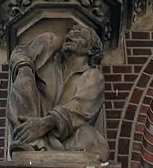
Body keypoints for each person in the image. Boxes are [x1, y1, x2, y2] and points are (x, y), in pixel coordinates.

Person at [7, 23, 108, 156]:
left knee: (94, 144)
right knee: (23, 81)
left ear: (92, 50)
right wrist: (24, 66)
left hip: (64, 134)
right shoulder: (48, 53)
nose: (70, 36)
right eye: (70, 33)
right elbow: (19, 53)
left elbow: (80, 108)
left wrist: (44, 124)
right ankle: (28, 142)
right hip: (31, 125)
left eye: (78, 34)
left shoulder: (92, 76)